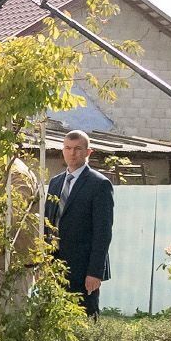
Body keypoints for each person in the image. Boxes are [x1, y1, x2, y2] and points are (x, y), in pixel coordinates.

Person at [43, 129, 114, 317]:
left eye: (77, 148)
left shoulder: (99, 184)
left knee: (85, 319)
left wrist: (95, 272)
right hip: (55, 265)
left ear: (88, 152)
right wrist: (44, 260)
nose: (72, 153)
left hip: (83, 269)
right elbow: (48, 223)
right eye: (68, 148)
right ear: (62, 151)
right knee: (55, 319)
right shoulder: (55, 182)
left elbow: (103, 232)